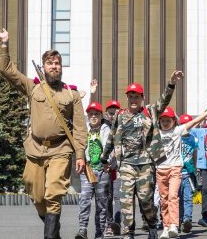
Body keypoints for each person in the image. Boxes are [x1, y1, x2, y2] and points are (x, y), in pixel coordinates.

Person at [0, 28, 86, 239]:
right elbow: (6, 69)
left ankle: (50, 236)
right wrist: (5, 43)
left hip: (60, 149)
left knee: (53, 193)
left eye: (57, 63)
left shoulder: (72, 94)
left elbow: (80, 127)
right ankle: (54, 229)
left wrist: (80, 154)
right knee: (36, 194)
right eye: (50, 63)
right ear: (43, 67)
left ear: (61, 67)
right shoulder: (33, 88)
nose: (54, 67)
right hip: (35, 149)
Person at [101, 71, 184, 239]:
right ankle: (128, 232)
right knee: (125, 200)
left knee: (146, 199)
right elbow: (111, 137)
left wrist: (171, 84)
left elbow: (163, 102)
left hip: (146, 164)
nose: (133, 100)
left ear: (142, 98)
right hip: (127, 164)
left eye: (136, 97)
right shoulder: (120, 116)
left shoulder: (149, 112)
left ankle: (152, 224)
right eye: (130, 97)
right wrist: (105, 157)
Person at [156, 103, 207, 239]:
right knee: (164, 200)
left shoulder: (177, 131)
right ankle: (166, 227)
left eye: (168, 120)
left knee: (173, 196)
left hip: (175, 169)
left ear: (174, 121)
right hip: (160, 170)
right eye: (163, 120)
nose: (166, 123)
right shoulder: (156, 133)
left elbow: (194, 122)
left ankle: (174, 225)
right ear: (159, 122)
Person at [76, 102, 112, 239]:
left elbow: (110, 147)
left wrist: (108, 162)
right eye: (91, 114)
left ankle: (99, 233)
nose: (93, 116)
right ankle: (82, 230)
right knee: (84, 200)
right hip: (88, 170)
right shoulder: (84, 130)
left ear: (101, 115)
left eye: (96, 114)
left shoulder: (106, 129)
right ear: (88, 116)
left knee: (101, 205)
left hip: (102, 171)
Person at [177, 114, 199, 233]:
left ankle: (187, 220)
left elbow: (195, 154)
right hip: (176, 172)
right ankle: (179, 219)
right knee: (177, 198)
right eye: (183, 125)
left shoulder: (194, 139)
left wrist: (195, 169)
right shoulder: (176, 137)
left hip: (189, 173)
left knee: (188, 197)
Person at [103, 100, 123, 236]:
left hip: (119, 166)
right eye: (111, 112)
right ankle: (109, 224)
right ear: (106, 113)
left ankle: (117, 224)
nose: (113, 114)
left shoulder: (123, 125)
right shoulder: (102, 125)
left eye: (116, 112)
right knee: (107, 197)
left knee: (118, 196)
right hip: (105, 166)